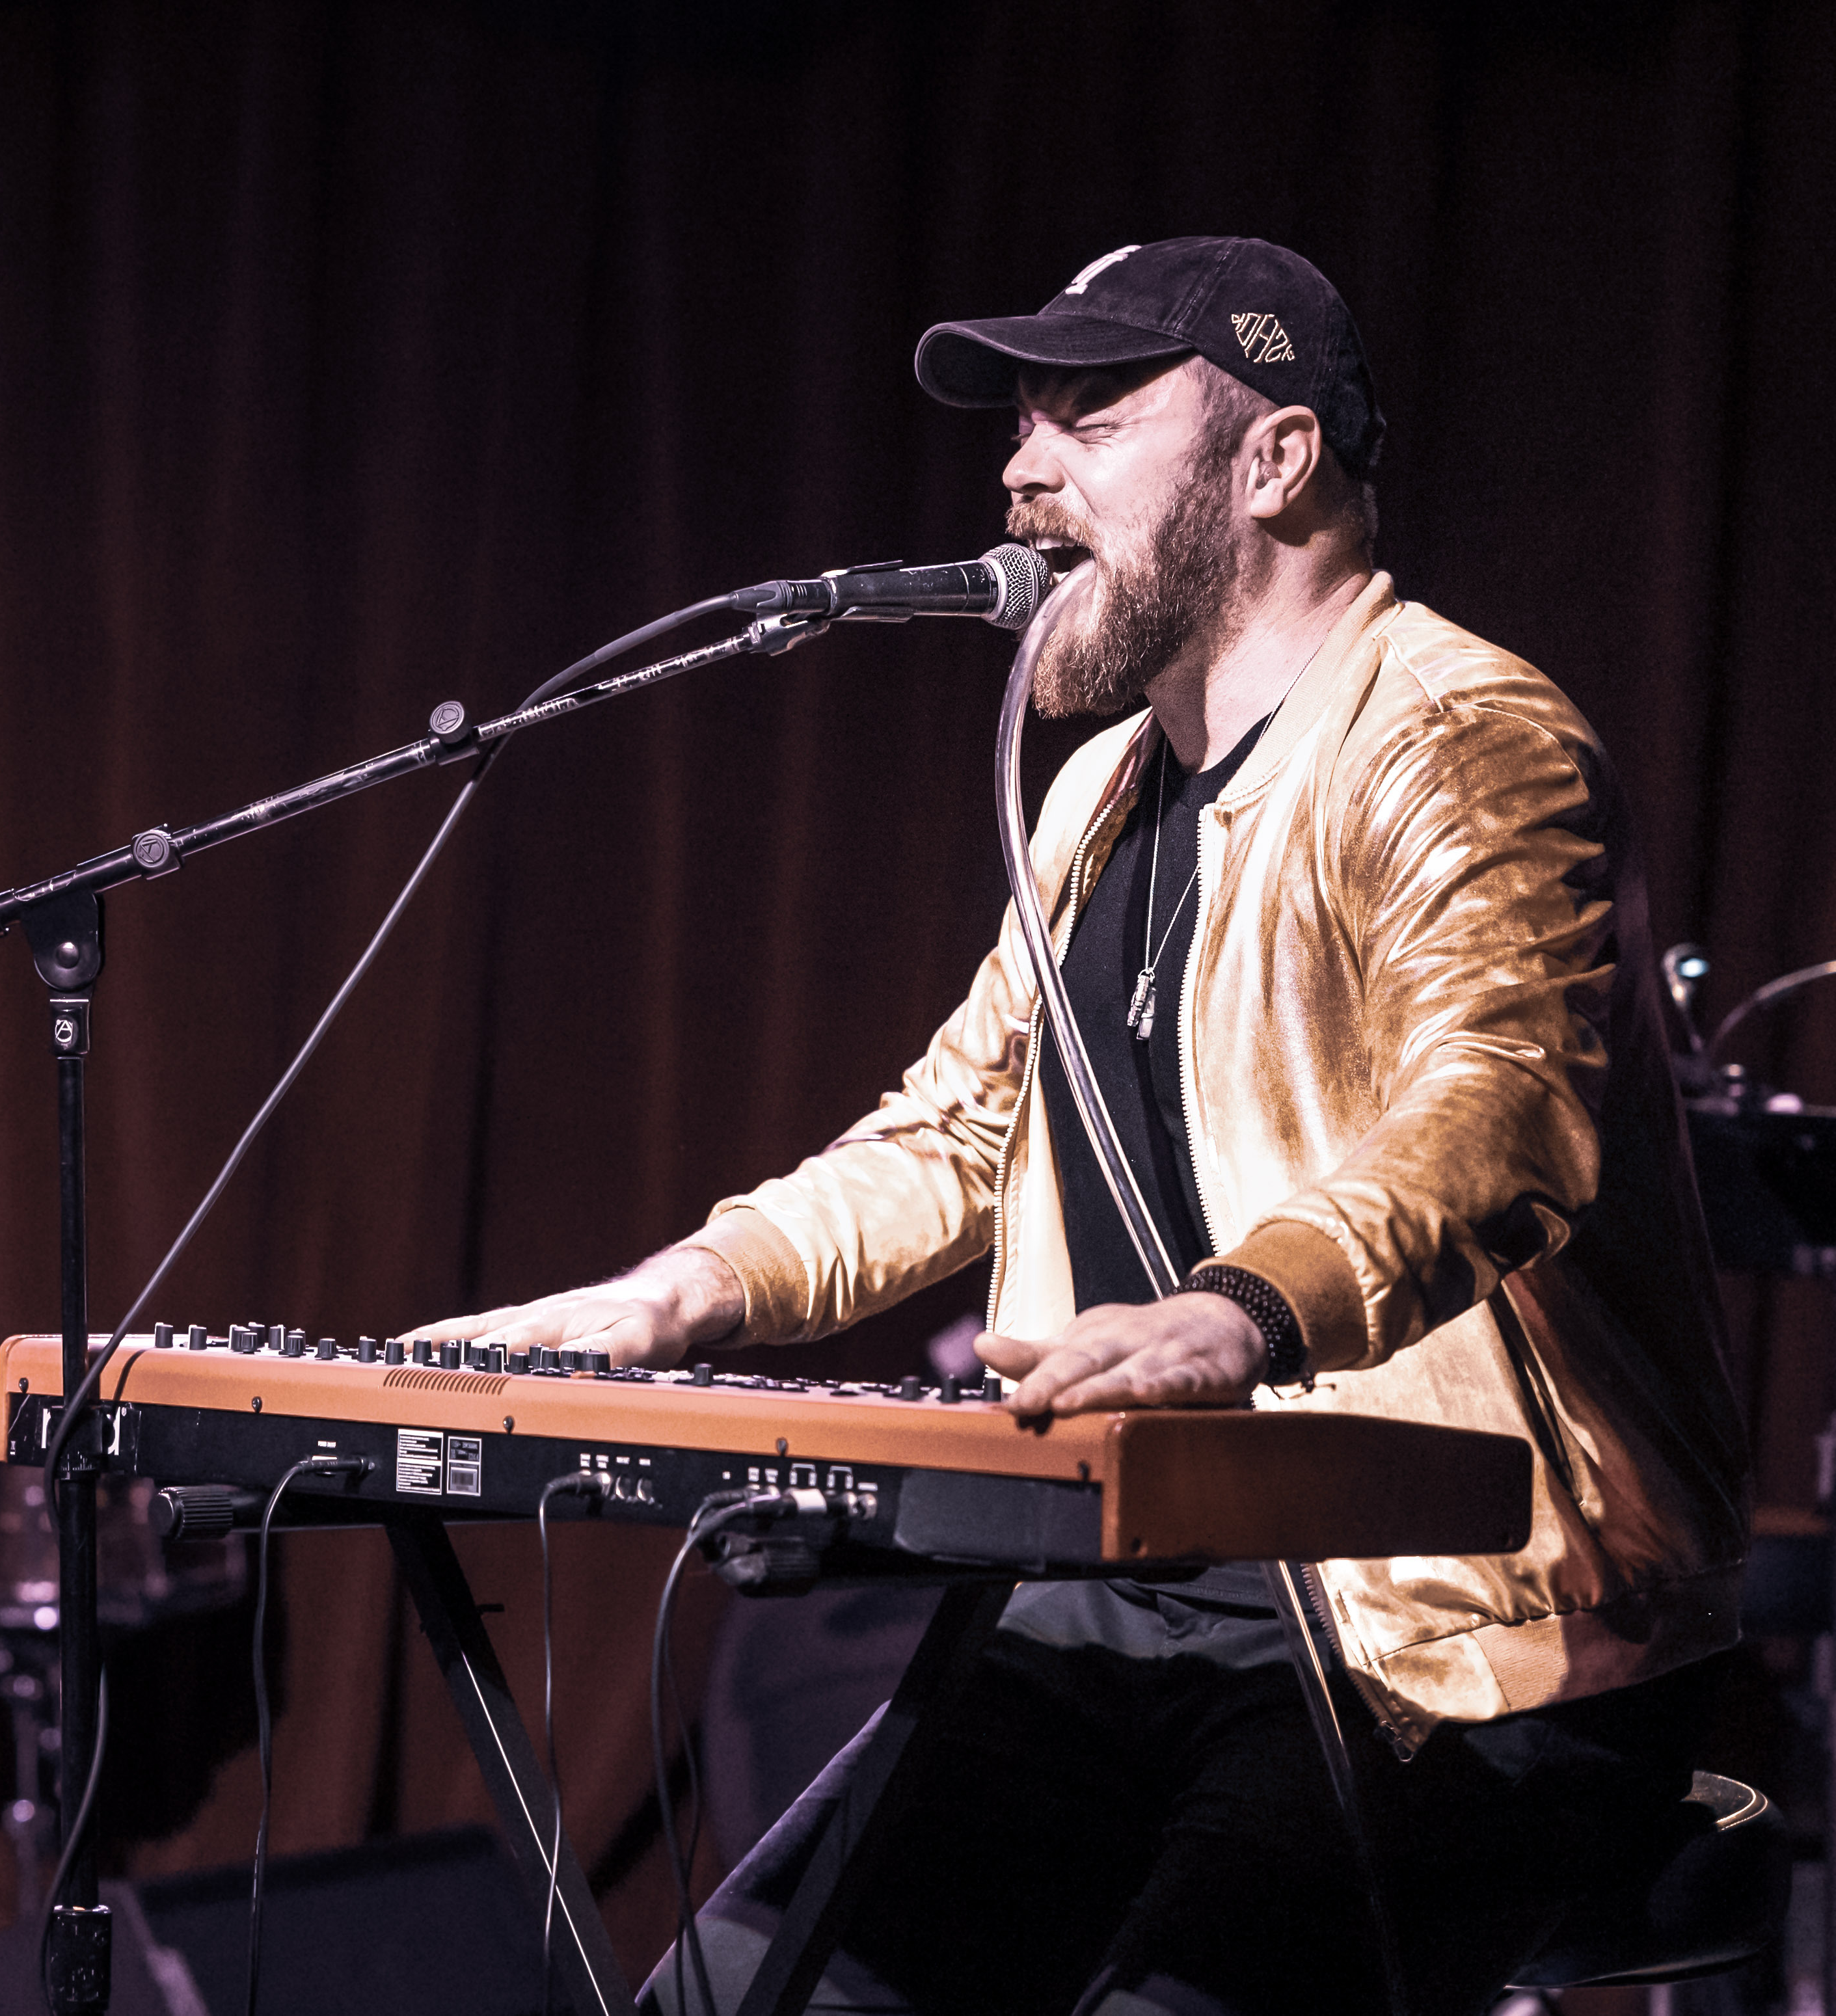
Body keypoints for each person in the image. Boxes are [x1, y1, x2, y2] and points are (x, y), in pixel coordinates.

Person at [418, 239, 1747, 2015]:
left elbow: (1497, 1111)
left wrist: (1238, 1309)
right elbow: (958, 1132)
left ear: (1273, 461)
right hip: (1121, 1590)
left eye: (1090, 418)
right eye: (1022, 422)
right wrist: (675, 1293)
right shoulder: (1101, 791)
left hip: (1440, 1625)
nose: (1019, 470)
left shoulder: (1460, 735)